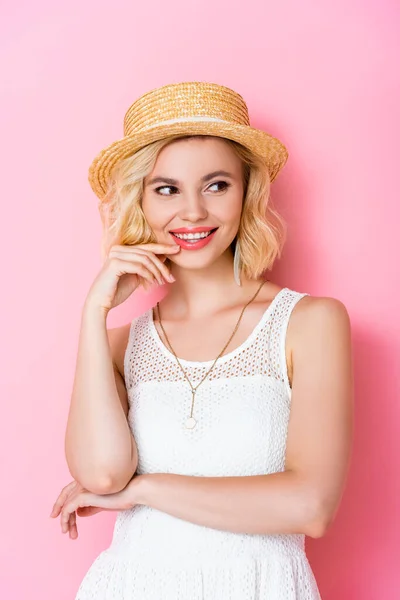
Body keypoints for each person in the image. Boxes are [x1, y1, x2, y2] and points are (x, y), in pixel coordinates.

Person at [49, 81, 353, 599]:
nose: (193, 212)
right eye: (166, 189)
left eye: (216, 185)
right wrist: (93, 313)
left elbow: (310, 507)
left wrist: (145, 489)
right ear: (140, 200)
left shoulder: (309, 322)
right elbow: (101, 475)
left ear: (246, 192)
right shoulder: (121, 345)